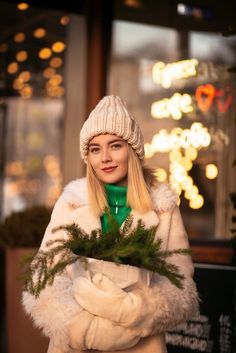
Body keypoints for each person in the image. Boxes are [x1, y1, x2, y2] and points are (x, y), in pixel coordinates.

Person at [23, 95, 199, 353]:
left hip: (141, 345)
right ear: (88, 157)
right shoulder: (71, 202)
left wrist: (132, 314)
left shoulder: (163, 207)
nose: (104, 157)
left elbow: (180, 287)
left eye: (115, 146)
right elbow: (43, 277)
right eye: (95, 149)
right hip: (75, 345)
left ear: (133, 150)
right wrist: (85, 330)